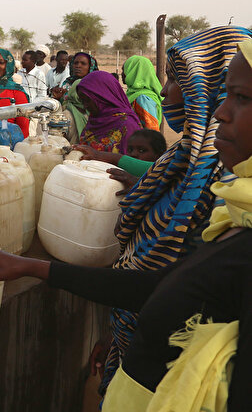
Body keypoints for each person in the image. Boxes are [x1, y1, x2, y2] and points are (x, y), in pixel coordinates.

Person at [0, 37, 252, 410]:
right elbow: (165, 286)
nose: (221, 111)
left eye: (241, 97)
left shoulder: (213, 192)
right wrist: (114, 328)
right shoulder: (217, 193)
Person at [103, 25, 252, 391]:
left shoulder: (225, 186)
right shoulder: (179, 160)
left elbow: (179, 287)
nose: (166, 91)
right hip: (134, 343)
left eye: (176, 80)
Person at [76, 70, 143, 154]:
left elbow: (131, 162)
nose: (85, 106)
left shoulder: (127, 125)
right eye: (82, 101)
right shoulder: (95, 119)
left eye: (87, 100)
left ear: (103, 97)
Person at [51, 52, 98, 143]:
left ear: (90, 66)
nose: (78, 66)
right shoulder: (67, 83)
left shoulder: (96, 85)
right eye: (75, 63)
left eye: (83, 64)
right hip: (68, 124)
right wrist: (58, 99)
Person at [122, 55, 163, 131]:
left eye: (124, 70)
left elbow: (151, 130)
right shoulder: (132, 94)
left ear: (134, 72)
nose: (122, 74)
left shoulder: (143, 98)